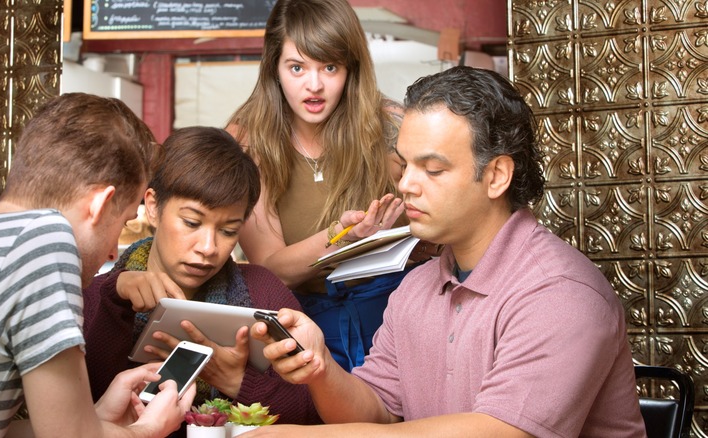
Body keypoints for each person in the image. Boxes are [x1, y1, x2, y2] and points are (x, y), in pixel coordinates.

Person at [245, 67, 647, 437]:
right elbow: (375, 411)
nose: (406, 184)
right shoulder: (416, 286)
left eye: (432, 169)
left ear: (496, 176)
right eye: (405, 166)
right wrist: (320, 369)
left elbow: (501, 432)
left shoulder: (560, 294)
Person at [0, 93, 192, 437]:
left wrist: (96, 418)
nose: (112, 253)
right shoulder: (43, 240)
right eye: (124, 221)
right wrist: (149, 429)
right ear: (100, 204)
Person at [226, 0, 440, 372]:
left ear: (351, 68)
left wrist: (425, 243)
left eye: (330, 67)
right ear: (274, 67)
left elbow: (447, 209)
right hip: (303, 324)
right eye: (297, 67)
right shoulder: (248, 141)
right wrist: (341, 237)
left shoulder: (390, 125)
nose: (314, 85)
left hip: (400, 312)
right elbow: (271, 268)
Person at [82, 126, 322, 426]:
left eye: (228, 231)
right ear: (153, 206)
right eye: (192, 222)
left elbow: (315, 414)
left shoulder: (263, 291)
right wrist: (116, 302)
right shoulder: (95, 295)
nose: (208, 248)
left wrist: (237, 380)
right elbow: (81, 412)